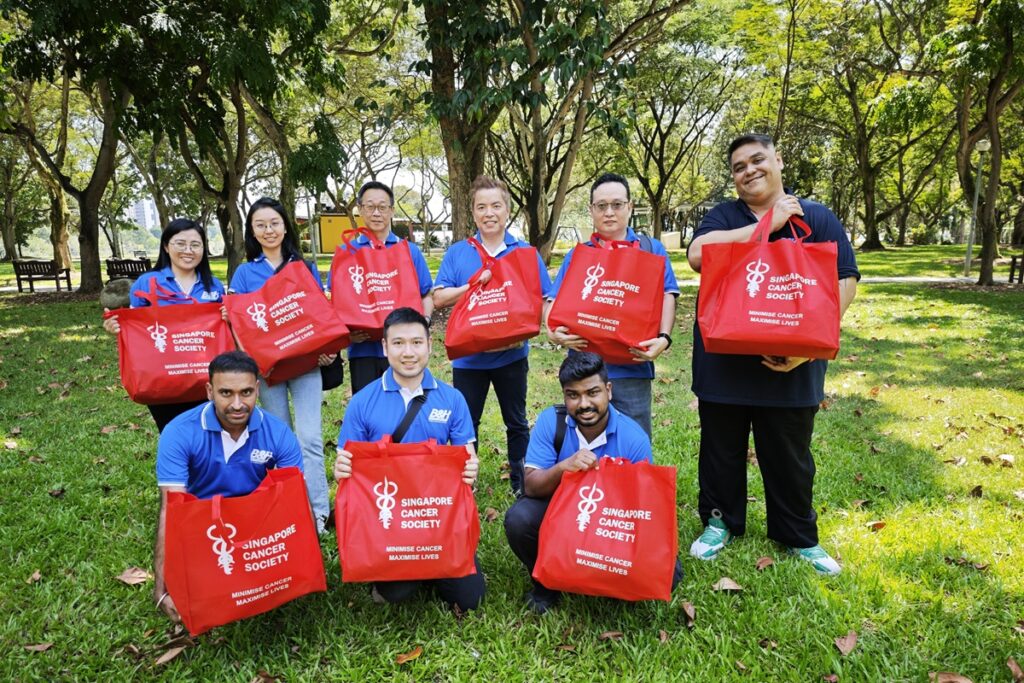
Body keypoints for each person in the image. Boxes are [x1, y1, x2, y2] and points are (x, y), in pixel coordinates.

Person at [685, 133, 859, 575]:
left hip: (792, 366)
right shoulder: (724, 216)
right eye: (739, 167)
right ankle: (719, 523)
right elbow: (697, 256)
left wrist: (808, 348)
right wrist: (766, 226)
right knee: (720, 449)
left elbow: (845, 280)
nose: (749, 171)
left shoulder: (817, 217)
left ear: (778, 161)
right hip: (724, 361)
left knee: (790, 455)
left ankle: (797, 533)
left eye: (757, 160)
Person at [503, 352, 681, 613]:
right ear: (564, 395)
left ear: (608, 390)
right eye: (573, 395)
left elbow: (644, 510)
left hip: (610, 519)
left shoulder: (633, 437)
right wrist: (565, 468)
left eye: (592, 392)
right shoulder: (550, 422)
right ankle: (547, 582)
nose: (583, 403)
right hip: (560, 513)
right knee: (519, 519)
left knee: (670, 574)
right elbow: (531, 486)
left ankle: (603, 577)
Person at [333, 307, 484, 612]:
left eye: (416, 342)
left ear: (430, 345)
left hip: (435, 514)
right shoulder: (363, 401)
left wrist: (471, 469)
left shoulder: (452, 398)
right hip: (388, 518)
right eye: (398, 343)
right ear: (385, 347)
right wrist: (342, 470)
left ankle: (432, 564)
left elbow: (467, 458)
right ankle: (411, 571)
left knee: (472, 598)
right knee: (396, 592)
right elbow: (345, 465)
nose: (408, 353)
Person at [151, 351, 305, 623]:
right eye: (226, 393)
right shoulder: (178, 432)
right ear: (209, 391)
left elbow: (293, 504)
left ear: (257, 389)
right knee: (200, 596)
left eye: (246, 392)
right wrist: (162, 585)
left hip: (257, 522)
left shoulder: (279, 433)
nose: (237, 404)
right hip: (201, 523)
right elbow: (171, 509)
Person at [432, 175, 553, 496]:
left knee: (516, 421)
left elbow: (544, 297)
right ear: (472, 213)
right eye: (481, 207)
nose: (489, 213)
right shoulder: (459, 253)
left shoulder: (524, 253)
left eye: (496, 206)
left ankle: (521, 483)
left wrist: (545, 328)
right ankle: (464, 484)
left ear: (507, 210)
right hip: (469, 359)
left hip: (512, 355)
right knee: (466, 424)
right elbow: (439, 297)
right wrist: (474, 283)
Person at [544, 172, 679, 438]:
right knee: (586, 443)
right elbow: (552, 301)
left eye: (617, 205)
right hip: (585, 367)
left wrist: (664, 338)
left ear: (629, 207)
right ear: (591, 210)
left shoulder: (651, 250)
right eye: (601, 206)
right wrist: (551, 331)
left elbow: (668, 295)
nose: (609, 212)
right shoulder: (579, 254)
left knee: (634, 440)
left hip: (633, 367)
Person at [229, 197, 335, 534]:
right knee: (278, 441)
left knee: (310, 438)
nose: (268, 230)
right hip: (268, 373)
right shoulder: (245, 274)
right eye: (260, 225)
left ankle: (319, 515)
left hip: (306, 367)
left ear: (285, 225)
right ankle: (288, 508)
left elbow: (318, 314)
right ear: (252, 232)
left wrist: (326, 350)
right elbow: (240, 326)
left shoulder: (302, 267)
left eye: (274, 222)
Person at [102, 218, 226, 431]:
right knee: (172, 435)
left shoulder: (214, 285)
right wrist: (117, 327)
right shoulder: (147, 283)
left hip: (205, 376)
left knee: (210, 435)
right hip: (162, 376)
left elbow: (224, 329)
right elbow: (136, 330)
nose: (188, 250)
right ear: (166, 247)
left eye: (195, 245)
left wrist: (228, 317)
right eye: (180, 243)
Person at [330, 181, 434, 393]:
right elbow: (335, 301)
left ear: (392, 210)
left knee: (406, 407)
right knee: (368, 407)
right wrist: (346, 336)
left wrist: (423, 323)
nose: (376, 213)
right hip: (363, 349)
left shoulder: (408, 251)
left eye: (382, 207)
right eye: (370, 206)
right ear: (360, 209)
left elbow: (427, 294)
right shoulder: (346, 252)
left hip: (404, 350)